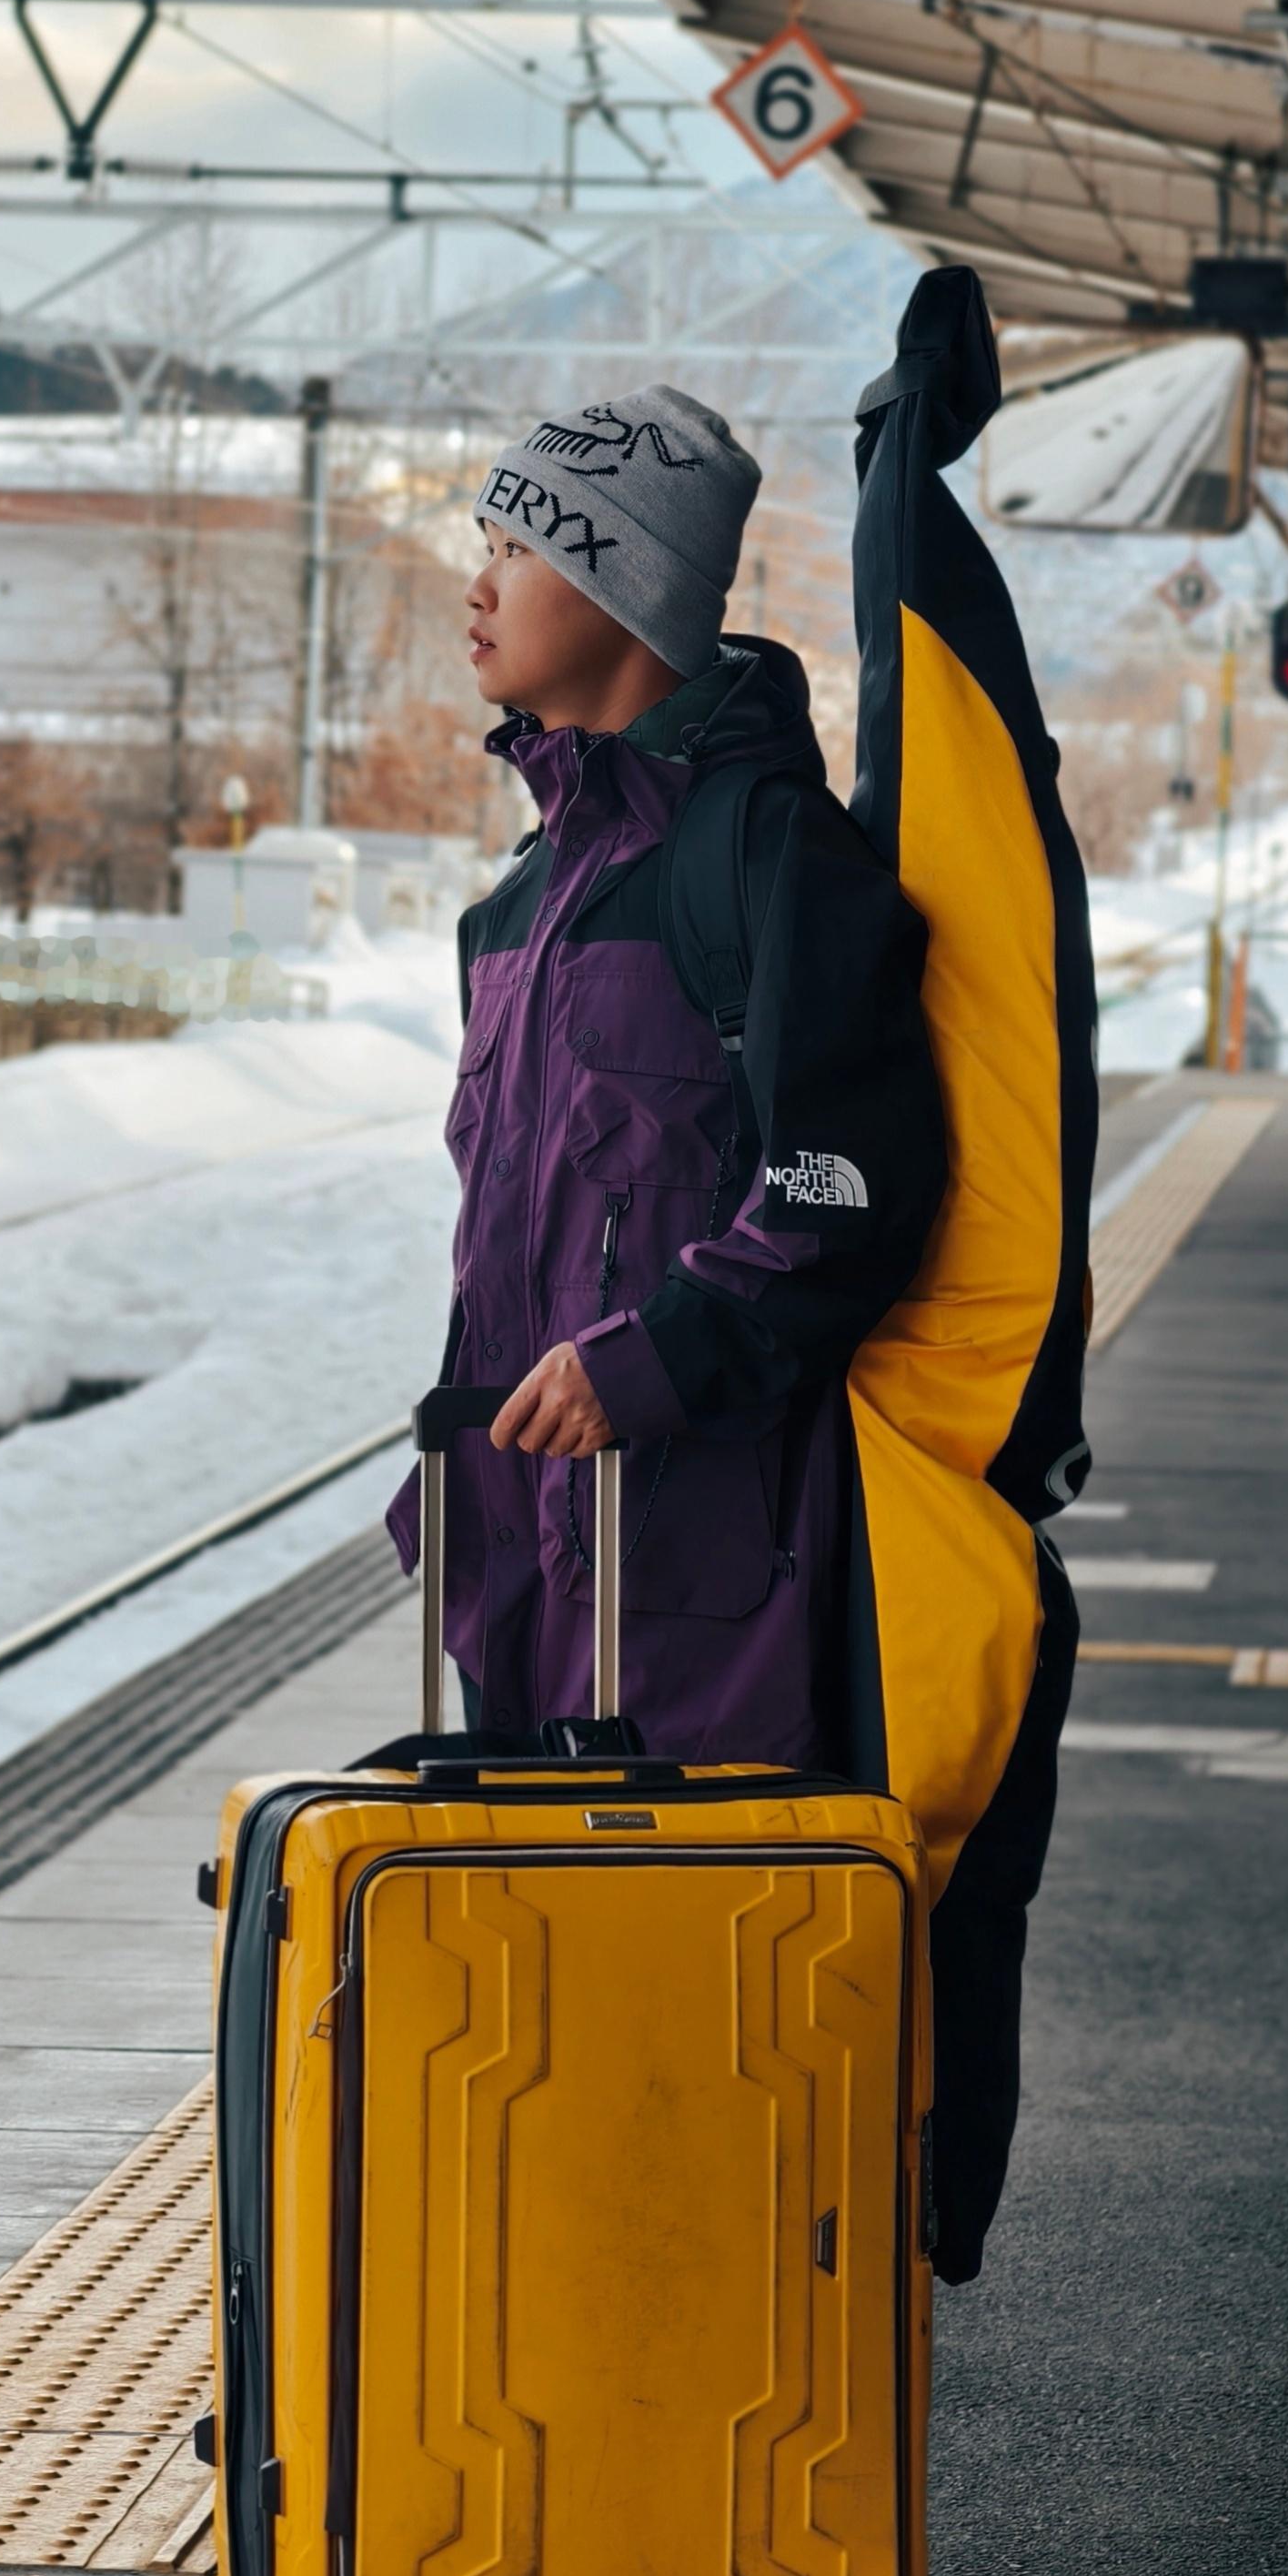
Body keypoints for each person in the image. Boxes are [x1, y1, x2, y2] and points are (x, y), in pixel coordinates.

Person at [397, 381, 946, 1773]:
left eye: (516, 550)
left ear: (618, 582)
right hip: (519, 1570)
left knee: (691, 1975)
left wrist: (655, 1359)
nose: (479, 587)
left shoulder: (769, 862)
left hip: (706, 1592)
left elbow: (843, 1184)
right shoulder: (517, 907)